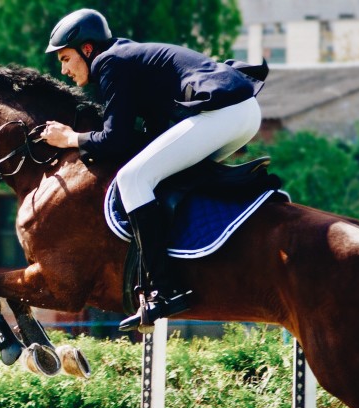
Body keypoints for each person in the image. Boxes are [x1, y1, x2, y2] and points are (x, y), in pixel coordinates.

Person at [40, 8, 267, 331]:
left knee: (133, 178)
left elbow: (115, 140)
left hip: (224, 112)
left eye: (65, 58)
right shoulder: (126, 58)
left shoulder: (110, 62)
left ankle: (165, 289)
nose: (63, 69)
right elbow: (146, 137)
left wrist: (69, 138)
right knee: (165, 176)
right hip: (244, 112)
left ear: (87, 50)